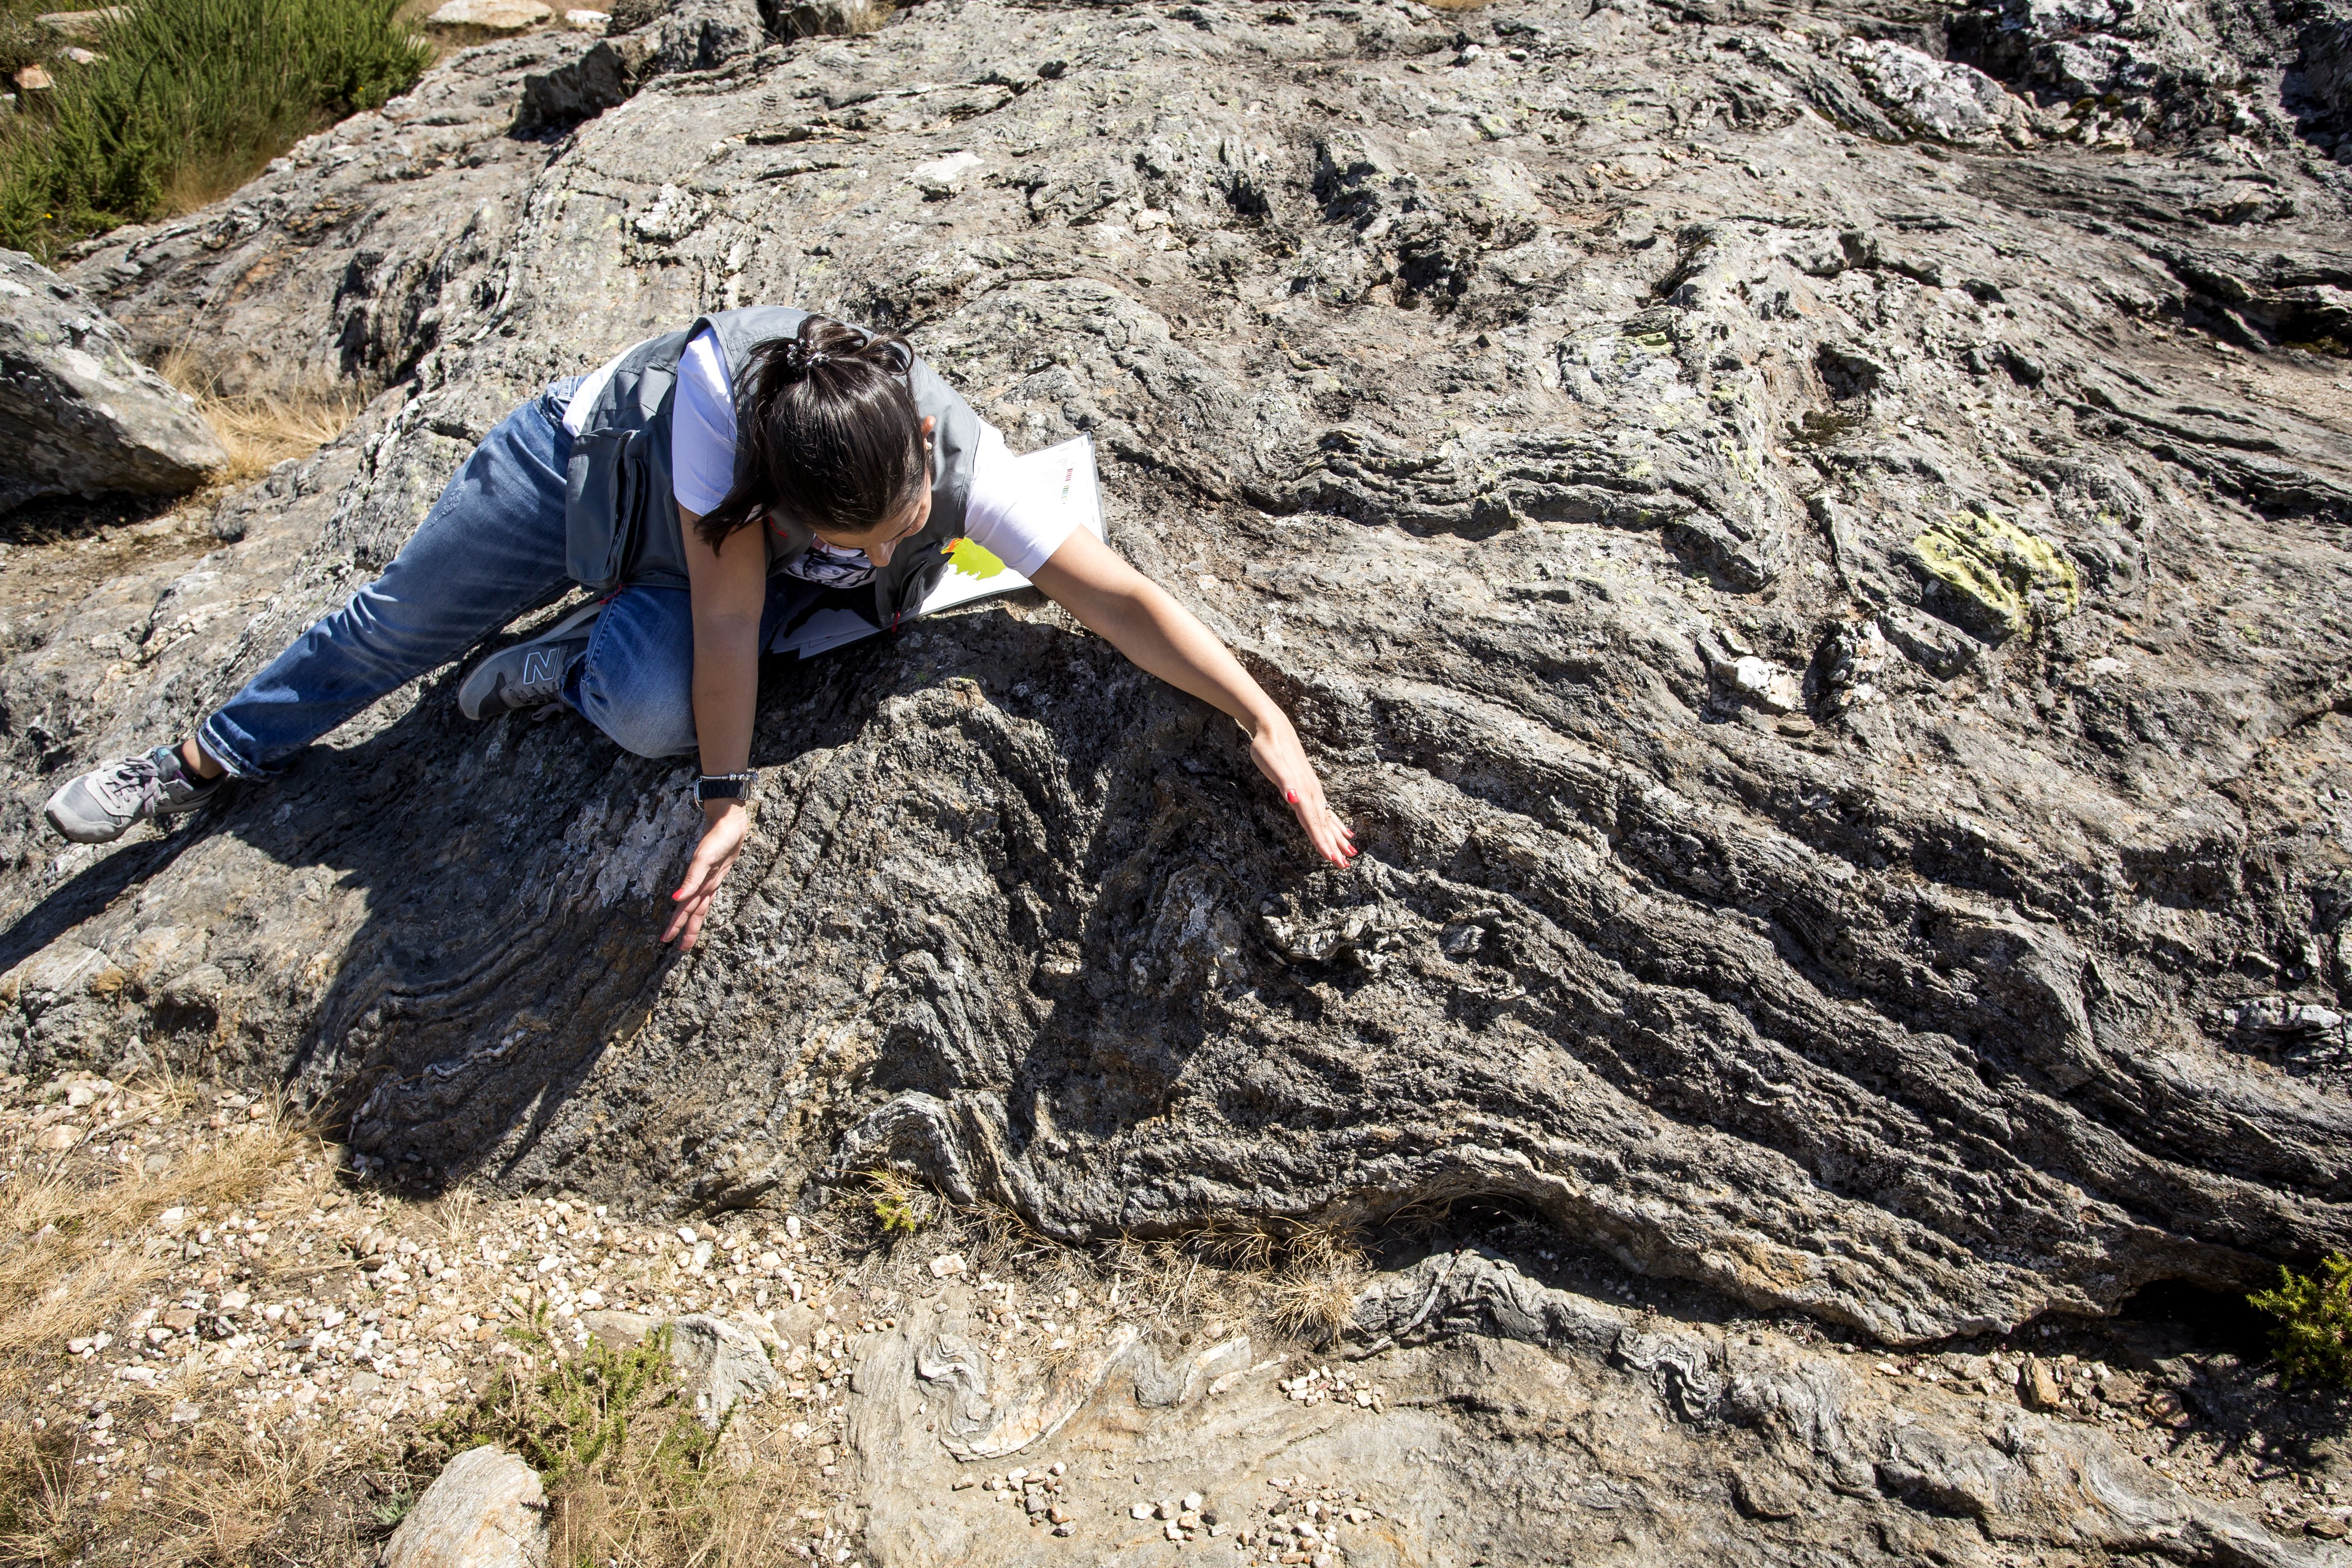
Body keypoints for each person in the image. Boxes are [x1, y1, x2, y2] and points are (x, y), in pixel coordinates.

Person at [43, 310, 1357, 947]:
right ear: (781, 503)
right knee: (400, 628)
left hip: (718, 560)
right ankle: (201, 760)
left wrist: (1261, 716)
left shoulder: (949, 455)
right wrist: (729, 796)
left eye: (912, 517)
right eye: (869, 541)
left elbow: (1116, 594)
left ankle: (557, 661)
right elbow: (728, 620)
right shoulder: (726, 430)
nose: (907, 544)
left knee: (647, 711)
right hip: (575, 486)